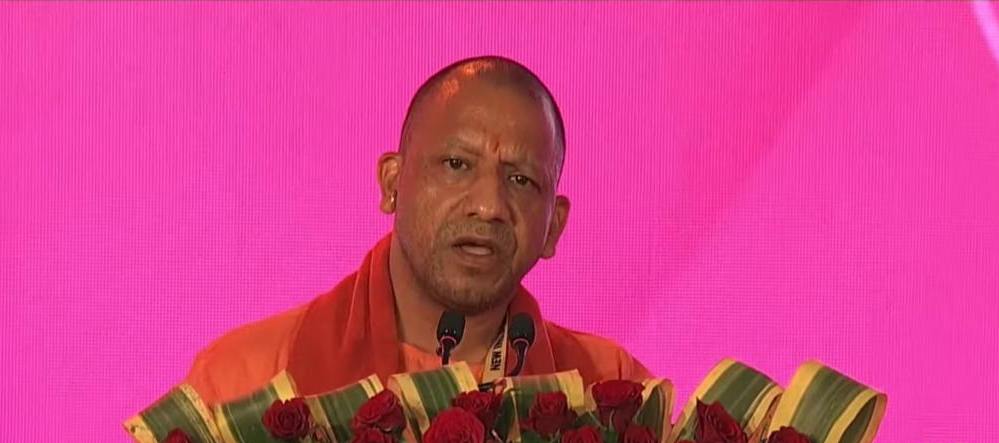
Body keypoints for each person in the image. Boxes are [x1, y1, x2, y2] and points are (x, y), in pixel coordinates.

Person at [185, 56, 650, 405]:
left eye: (521, 180)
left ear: (554, 226)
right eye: (456, 164)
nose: (489, 206)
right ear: (392, 183)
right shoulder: (245, 386)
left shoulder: (610, 395)